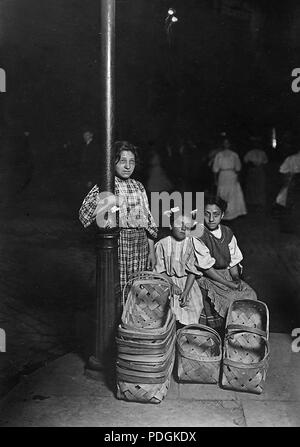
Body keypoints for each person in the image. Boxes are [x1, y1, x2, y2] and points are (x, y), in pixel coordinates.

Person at [78, 141, 158, 291]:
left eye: (131, 162)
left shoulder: (138, 186)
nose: (128, 166)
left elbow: (148, 222)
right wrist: (109, 200)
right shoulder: (106, 185)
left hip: (139, 247)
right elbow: (84, 215)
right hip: (118, 247)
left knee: (137, 293)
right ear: (112, 162)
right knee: (117, 291)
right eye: (122, 161)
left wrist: (151, 252)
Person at [196, 194, 257, 334]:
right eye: (207, 214)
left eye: (216, 215)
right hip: (209, 277)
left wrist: (236, 279)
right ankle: (226, 335)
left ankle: (242, 335)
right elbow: (206, 268)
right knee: (230, 301)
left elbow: (233, 260)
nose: (211, 219)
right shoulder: (198, 234)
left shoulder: (227, 233)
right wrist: (229, 284)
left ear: (222, 215)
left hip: (227, 275)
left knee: (250, 295)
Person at [154, 212, 214, 326]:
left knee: (193, 306)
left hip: (188, 282)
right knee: (168, 309)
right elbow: (160, 269)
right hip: (168, 281)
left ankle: (188, 334)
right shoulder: (162, 244)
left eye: (187, 225)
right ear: (171, 225)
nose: (183, 228)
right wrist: (171, 284)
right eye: (179, 224)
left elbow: (192, 271)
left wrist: (186, 291)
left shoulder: (192, 243)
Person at [212, 137, 247, 220]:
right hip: (222, 175)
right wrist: (215, 179)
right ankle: (223, 212)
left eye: (227, 143)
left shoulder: (234, 155)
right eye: (224, 143)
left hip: (231, 175)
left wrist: (238, 177)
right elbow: (215, 168)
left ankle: (233, 212)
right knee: (222, 193)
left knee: (232, 193)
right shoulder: (219, 155)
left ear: (230, 144)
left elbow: (238, 167)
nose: (226, 144)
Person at [243, 139, 268, 208]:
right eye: (255, 144)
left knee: (260, 186)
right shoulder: (250, 153)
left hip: (260, 170)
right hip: (252, 170)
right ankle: (252, 202)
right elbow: (245, 161)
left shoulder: (262, 153)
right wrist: (251, 165)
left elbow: (265, 161)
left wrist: (260, 166)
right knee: (251, 187)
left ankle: (260, 202)